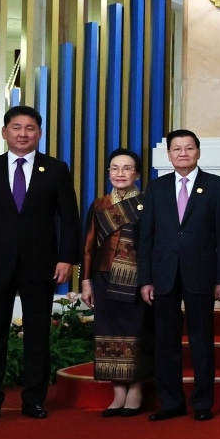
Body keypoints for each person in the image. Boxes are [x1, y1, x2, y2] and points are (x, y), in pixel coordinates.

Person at [0, 105, 80, 423]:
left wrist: (67, 257)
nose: (23, 133)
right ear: (4, 132)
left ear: (39, 133)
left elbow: (69, 219)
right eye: (16, 127)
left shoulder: (55, 169)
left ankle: (34, 399)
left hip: (41, 264)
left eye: (30, 128)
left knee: (38, 333)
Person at [138, 129, 220, 422]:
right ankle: (171, 402)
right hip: (163, 274)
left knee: (201, 340)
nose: (183, 153)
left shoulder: (217, 186)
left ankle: (203, 402)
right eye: (176, 149)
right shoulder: (156, 188)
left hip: (201, 274)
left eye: (188, 148)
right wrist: (145, 278)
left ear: (198, 151)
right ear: (169, 155)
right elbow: (147, 236)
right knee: (165, 341)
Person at [81, 149, 152, 417]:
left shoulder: (148, 202)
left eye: (127, 168)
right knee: (108, 334)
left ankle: (135, 390)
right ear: (108, 172)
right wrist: (85, 281)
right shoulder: (98, 205)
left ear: (137, 173)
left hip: (137, 280)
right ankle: (118, 392)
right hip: (103, 277)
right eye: (114, 168)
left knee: (136, 332)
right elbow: (88, 246)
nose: (120, 173)